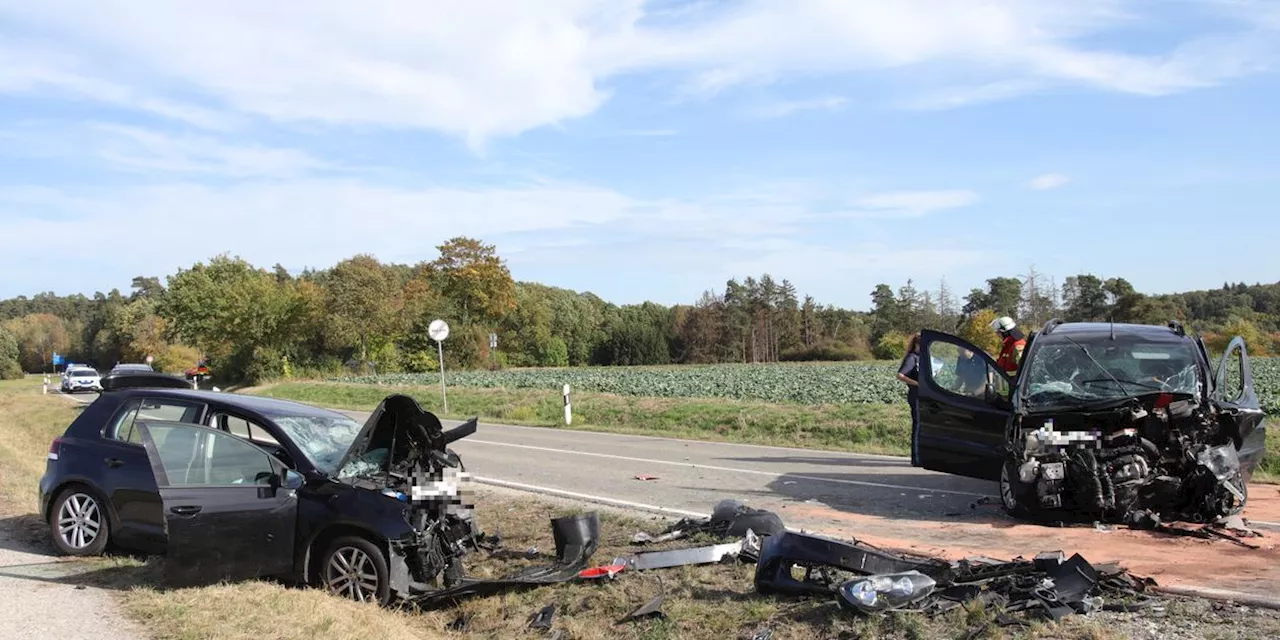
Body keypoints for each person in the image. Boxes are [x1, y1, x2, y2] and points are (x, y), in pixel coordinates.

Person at [897, 332, 922, 467]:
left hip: (922, 396)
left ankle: (920, 456)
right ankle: (916, 458)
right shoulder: (912, 358)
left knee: (921, 425)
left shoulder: (922, 358)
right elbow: (900, 375)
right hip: (915, 395)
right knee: (917, 425)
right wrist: (916, 383)